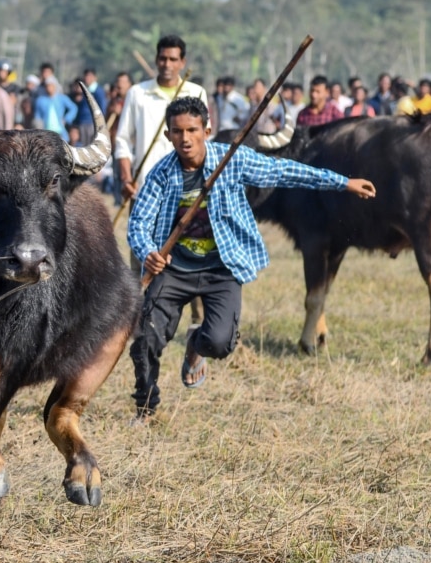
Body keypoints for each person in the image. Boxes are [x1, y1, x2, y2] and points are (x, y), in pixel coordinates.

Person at [126, 96, 375, 418]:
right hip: (175, 267)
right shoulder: (161, 174)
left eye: (192, 130)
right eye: (177, 132)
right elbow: (138, 224)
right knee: (146, 337)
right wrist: (148, 251)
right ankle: (145, 408)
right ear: (168, 135)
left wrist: (342, 183)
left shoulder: (232, 159)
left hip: (222, 268)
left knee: (219, 343)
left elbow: (283, 170)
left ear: (207, 130)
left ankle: (196, 343)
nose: (185, 139)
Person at [114, 34, 210, 205]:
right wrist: (127, 179)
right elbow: (123, 140)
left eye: (173, 59)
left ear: (182, 62)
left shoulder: (197, 93)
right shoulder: (137, 93)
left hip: (187, 189)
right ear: (156, 60)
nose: (167, 65)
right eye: (163, 59)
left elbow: (204, 139)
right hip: (144, 187)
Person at [33, 77, 78, 141]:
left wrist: (67, 119)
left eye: (51, 85)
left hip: (60, 131)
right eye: (47, 85)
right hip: (46, 131)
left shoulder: (62, 98)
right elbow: (37, 117)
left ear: (55, 86)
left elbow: (73, 108)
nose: (49, 87)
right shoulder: (40, 100)